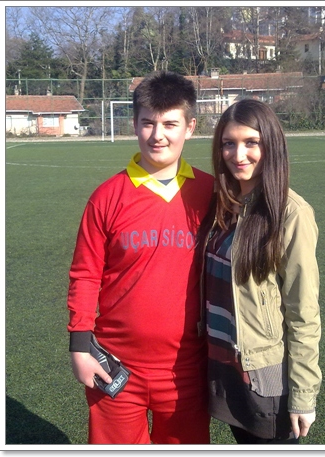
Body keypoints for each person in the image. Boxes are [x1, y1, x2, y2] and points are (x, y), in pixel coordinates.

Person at [67, 71, 214, 444]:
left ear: (190, 127)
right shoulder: (106, 197)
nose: (157, 135)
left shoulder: (211, 193)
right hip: (115, 364)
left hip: (186, 369)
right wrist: (79, 346)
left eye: (170, 124)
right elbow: (85, 274)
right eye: (148, 122)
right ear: (134, 124)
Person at [199, 99, 322, 444]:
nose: (238, 154)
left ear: (271, 145)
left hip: (262, 375)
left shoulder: (291, 214)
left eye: (251, 142)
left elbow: (303, 312)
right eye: (229, 143)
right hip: (222, 365)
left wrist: (303, 395)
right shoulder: (224, 205)